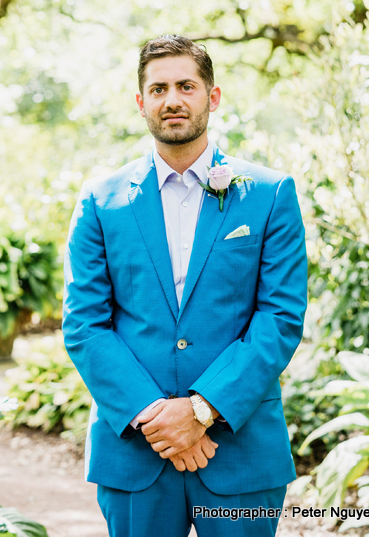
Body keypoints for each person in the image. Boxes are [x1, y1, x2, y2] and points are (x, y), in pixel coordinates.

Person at [62, 35, 307, 536]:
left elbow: (280, 316)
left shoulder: (269, 193)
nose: (172, 99)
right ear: (141, 102)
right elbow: (85, 324)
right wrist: (158, 418)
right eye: (158, 89)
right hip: (136, 449)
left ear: (211, 97)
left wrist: (200, 409)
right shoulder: (100, 200)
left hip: (240, 450)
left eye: (185, 86)